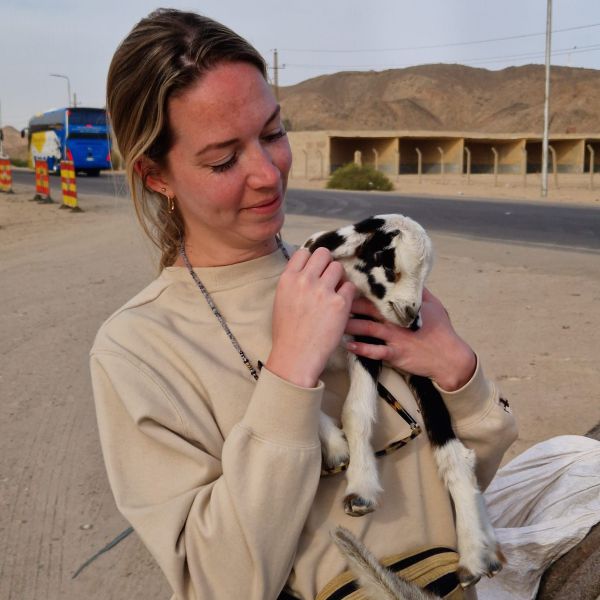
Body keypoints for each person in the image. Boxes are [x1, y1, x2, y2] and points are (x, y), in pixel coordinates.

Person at [91, 8, 518, 600]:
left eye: (272, 134)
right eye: (223, 159)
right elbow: (222, 583)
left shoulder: (351, 274)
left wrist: (455, 369)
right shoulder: (139, 349)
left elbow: (467, 480)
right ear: (154, 174)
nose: (268, 174)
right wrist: (290, 373)